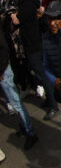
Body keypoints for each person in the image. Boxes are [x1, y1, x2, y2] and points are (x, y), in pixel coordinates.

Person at [12, 0, 60, 120]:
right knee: (38, 71)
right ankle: (50, 99)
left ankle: (54, 105)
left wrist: (13, 16)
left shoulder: (30, 1)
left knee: (41, 73)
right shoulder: (24, 0)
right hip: (28, 43)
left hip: (34, 44)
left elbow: (17, 21)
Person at [0, 19, 38, 150]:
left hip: (4, 73)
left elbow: (4, 50)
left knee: (16, 103)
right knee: (15, 101)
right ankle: (24, 126)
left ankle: (31, 133)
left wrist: (1, 70)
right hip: (4, 72)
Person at [42, 1, 61, 115]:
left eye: (56, 19)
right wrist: (54, 80)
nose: (52, 23)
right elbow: (45, 66)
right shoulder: (45, 40)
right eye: (50, 19)